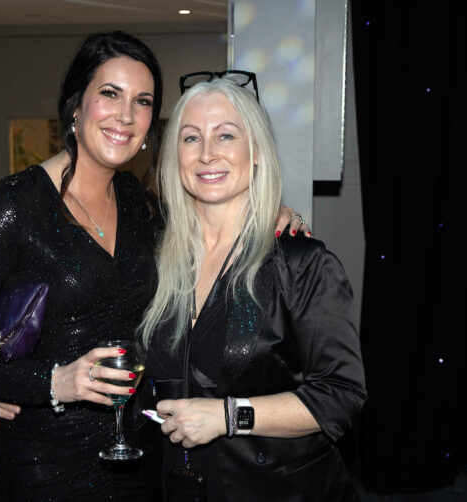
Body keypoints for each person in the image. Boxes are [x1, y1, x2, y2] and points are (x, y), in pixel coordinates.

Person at [0, 32, 307, 501]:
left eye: (142, 101)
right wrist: (44, 382)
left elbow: (208, 222)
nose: (125, 115)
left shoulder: (136, 202)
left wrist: (271, 215)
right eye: (110, 94)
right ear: (75, 106)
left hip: (139, 455)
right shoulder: (16, 205)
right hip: (47, 463)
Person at [138, 76, 367, 501]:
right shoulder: (155, 259)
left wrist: (230, 415)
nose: (207, 153)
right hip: (175, 485)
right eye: (191, 138)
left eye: (226, 135)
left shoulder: (301, 264)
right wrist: (29, 385)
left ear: (256, 151)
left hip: (278, 490)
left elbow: (341, 394)